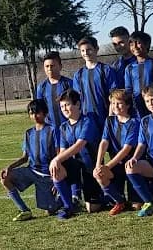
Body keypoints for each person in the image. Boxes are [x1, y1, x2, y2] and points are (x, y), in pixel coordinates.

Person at [0, 99, 60, 221]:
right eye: (31, 113)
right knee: (5, 178)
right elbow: (24, 157)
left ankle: (66, 199)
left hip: (46, 175)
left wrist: (56, 180)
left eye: (37, 112)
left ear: (45, 113)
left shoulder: (53, 130)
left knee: (50, 211)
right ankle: (24, 210)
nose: (34, 116)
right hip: (31, 171)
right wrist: (10, 167)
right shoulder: (28, 133)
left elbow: (59, 157)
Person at [49, 89, 104, 219]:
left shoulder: (87, 121)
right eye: (62, 106)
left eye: (67, 105)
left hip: (89, 168)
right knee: (56, 167)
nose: (64, 109)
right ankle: (69, 206)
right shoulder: (63, 127)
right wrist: (56, 164)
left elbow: (79, 146)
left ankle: (104, 196)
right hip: (74, 167)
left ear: (77, 104)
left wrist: (56, 160)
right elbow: (63, 152)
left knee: (92, 208)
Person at [124, 83, 153, 218]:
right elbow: (141, 144)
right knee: (131, 168)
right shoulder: (145, 121)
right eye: (147, 101)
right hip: (152, 162)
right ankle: (150, 202)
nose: (150, 103)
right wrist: (134, 158)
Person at [93, 89, 138, 216]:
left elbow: (126, 150)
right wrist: (98, 165)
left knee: (136, 206)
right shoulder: (109, 121)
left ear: (127, 105)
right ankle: (119, 202)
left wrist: (107, 166)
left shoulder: (134, 123)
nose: (115, 106)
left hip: (129, 164)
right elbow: (104, 142)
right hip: (115, 165)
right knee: (98, 174)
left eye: (119, 103)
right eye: (113, 103)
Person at [73, 36, 118, 128]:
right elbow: (77, 99)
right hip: (87, 120)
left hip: (105, 117)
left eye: (89, 49)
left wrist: (110, 117)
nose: (86, 53)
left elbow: (114, 96)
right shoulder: (78, 74)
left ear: (96, 49)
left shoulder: (106, 70)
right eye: (82, 51)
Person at [35, 51, 74, 147]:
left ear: (60, 66)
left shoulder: (69, 84)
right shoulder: (42, 87)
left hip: (70, 128)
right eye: (47, 66)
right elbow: (40, 111)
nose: (49, 69)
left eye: (52, 66)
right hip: (51, 130)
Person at [124, 31, 153, 118]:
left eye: (138, 43)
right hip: (137, 108)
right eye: (131, 44)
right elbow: (128, 90)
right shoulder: (129, 68)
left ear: (147, 44)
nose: (135, 47)